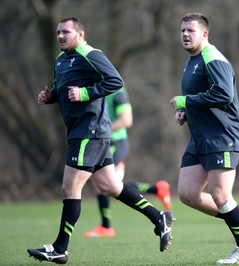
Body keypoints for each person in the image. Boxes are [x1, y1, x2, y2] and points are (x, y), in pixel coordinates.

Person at [27, 16, 173, 264]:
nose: (61, 36)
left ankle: (60, 248)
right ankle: (158, 217)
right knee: (110, 187)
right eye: (58, 32)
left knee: (70, 188)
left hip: (89, 131)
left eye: (67, 32)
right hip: (81, 131)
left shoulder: (90, 55)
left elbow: (115, 81)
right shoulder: (61, 60)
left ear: (81, 35)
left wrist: (85, 93)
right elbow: (63, 90)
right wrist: (50, 96)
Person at [170, 13, 239, 264]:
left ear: (205, 34)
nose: (185, 35)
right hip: (200, 139)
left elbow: (223, 94)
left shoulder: (212, 58)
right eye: (182, 31)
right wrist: (186, 112)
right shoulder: (192, 62)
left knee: (220, 194)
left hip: (222, 136)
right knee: (188, 194)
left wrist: (186, 101)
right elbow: (204, 97)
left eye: (191, 30)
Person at [84, 88, 172, 237]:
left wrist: (102, 130)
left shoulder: (117, 91)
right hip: (104, 142)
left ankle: (106, 227)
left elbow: (126, 120)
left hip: (116, 143)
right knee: (107, 184)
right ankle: (156, 189)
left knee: (107, 184)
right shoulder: (94, 90)